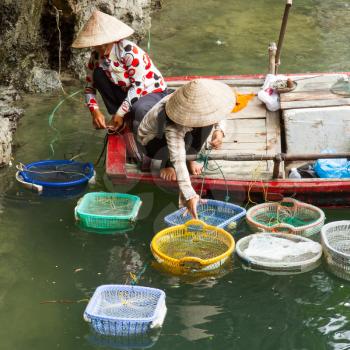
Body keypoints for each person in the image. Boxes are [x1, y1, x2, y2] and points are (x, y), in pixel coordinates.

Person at [133, 79, 236, 218]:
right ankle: (166, 164)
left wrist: (219, 131)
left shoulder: (205, 103)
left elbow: (216, 112)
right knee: (184, 142)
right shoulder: (173, 120)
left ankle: (192, 158)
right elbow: (178, 159)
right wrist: (189, 195)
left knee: (207, 123)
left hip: (178, 137)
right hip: (153, 142)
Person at [71, 10, 167, 132]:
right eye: (97, 44)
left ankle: (124, 116)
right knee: (98, 74)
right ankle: (121, 117)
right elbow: (89, 88)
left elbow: (138, 87)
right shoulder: (95, 57)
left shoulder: (128, 51)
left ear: (112, 39)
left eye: (104, 42)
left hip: (150, 91)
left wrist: (120, 113)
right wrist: (94, 110)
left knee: (139, 109)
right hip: (126, 92)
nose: (101, 47)